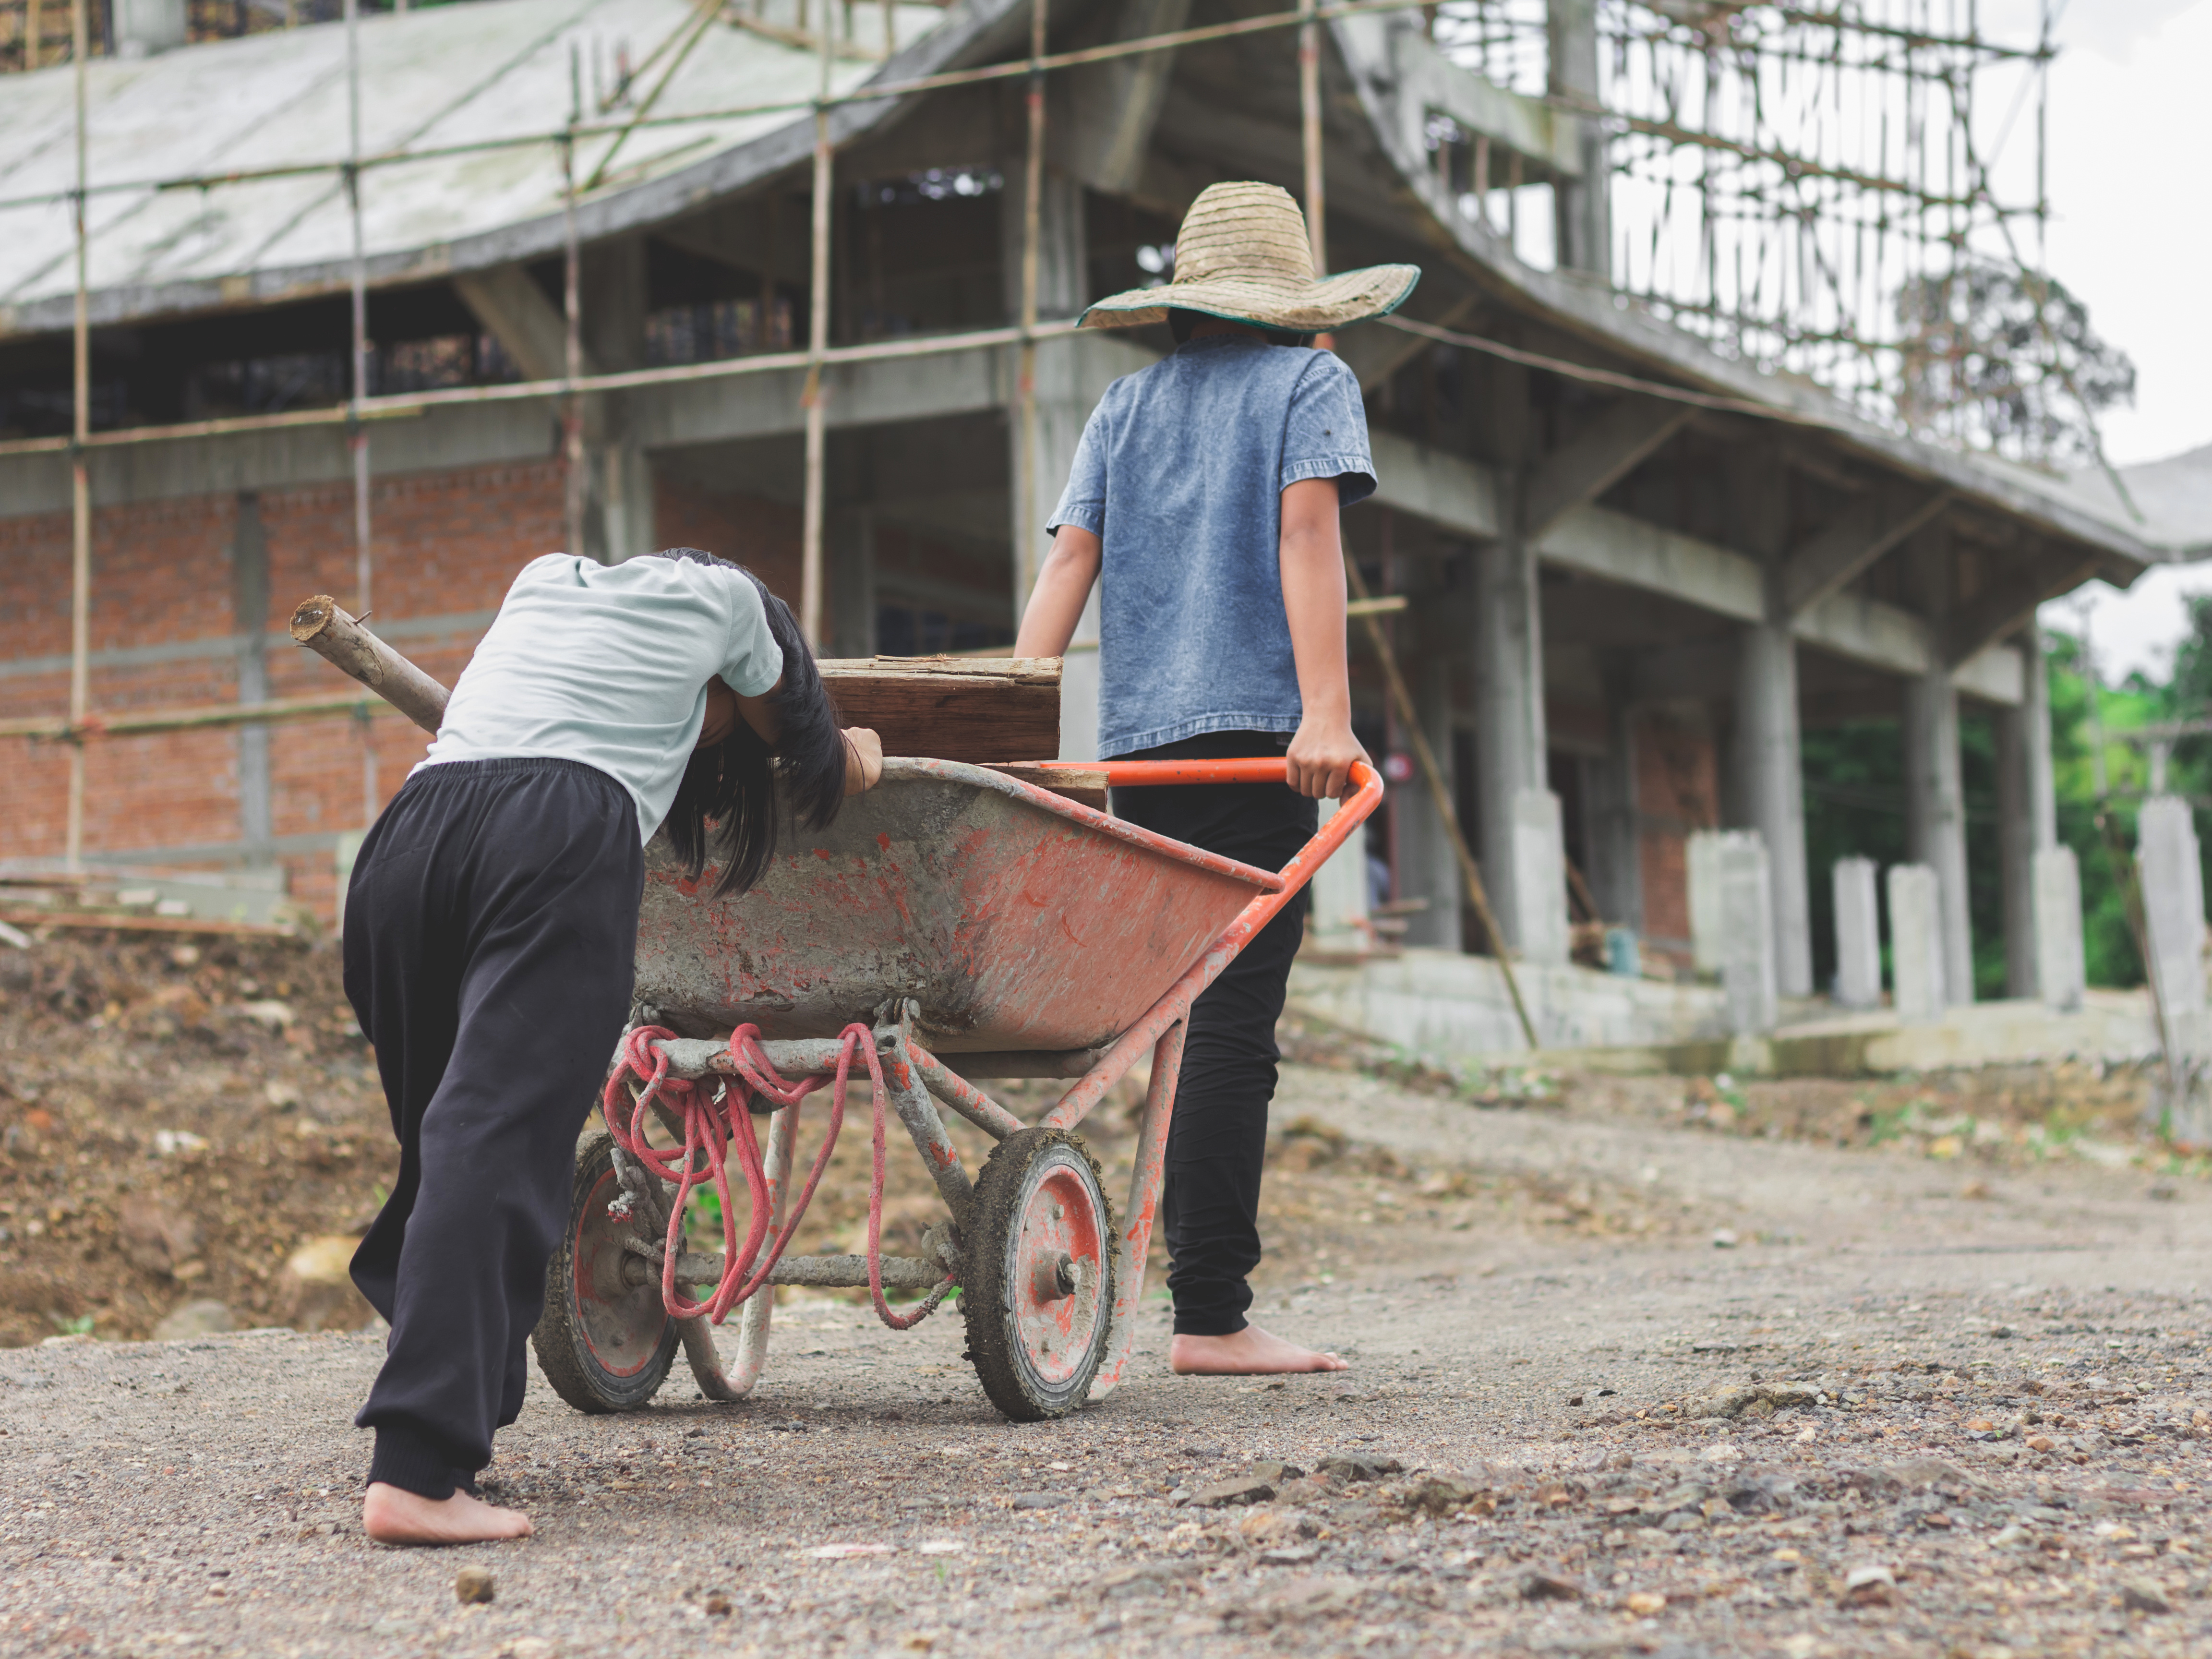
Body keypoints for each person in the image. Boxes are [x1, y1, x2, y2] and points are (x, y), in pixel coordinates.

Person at [343, 547, 883, 1545]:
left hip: (412, 836)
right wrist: (865, 751)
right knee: (493, 1144)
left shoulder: (544, 576)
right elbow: (814, 751)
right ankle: (418, 1469)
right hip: (554, 837)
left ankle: (449, 1401)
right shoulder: (734, 604)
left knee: (447, 1144)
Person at [1013, 181, 1419, 1377]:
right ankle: (1211, 1318)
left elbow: (1068, 567)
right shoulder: (1313, 384)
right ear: (1295, 309)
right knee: (1234, 1023)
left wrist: (1015, 714)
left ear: (1182, 305)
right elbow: (1307, 538)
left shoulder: (1125, 406)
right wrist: (1330, 714)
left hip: (1141, 750)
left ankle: (1195, 1295)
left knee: (1181, 1017)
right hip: (1257, 739)